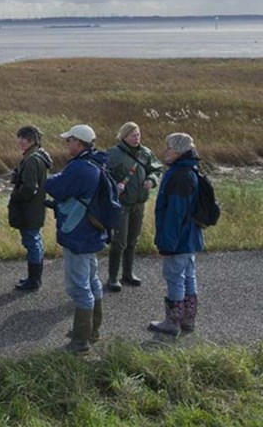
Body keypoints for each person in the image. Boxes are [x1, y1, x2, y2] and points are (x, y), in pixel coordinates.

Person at [44, 125, 108, 353]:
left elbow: (54, 187)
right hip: (90, 230)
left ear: (79, 143)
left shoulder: (80, 168)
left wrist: (51, 178)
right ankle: (93, 330)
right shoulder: (96, 163)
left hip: (78, 232)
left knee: (79, 286)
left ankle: (81, 341)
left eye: (69, 140)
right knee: (92, 280)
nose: (67, 144)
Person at [148, 133, 204, 336]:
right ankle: (188, 320)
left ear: (178, 151)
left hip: (179, 238)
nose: (165, 151)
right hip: (190, 236)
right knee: (189, 276)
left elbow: (175, 214)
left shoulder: (180, 175)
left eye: (169, 148)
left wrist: (166, 243)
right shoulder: (191, 169)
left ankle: (172, 322)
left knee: (174, 277)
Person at [105, 122, 163, 292]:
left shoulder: (146, 152)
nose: (137, 138)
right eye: (133, 135)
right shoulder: (113, 154)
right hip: (122, 204)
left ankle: (128, 274)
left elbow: (157, 168)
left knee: (132, 240)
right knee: (119, 241)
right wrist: (115, 185)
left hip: (139, 203)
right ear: (123, 136)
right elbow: (103, 175)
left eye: (138, 134)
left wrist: (152, 180)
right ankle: (113, 277)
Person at [8, 126, 53, 291]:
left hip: (29, 209)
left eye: (24, 138)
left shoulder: (32, 159)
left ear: (32, 140)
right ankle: (35, 278)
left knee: (32, 242)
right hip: (36, 208)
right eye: (19, 137)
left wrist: (15, 195)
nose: (20, 141)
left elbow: (29, 188)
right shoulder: (37, 156)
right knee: (35, 241)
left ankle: (34, 280)